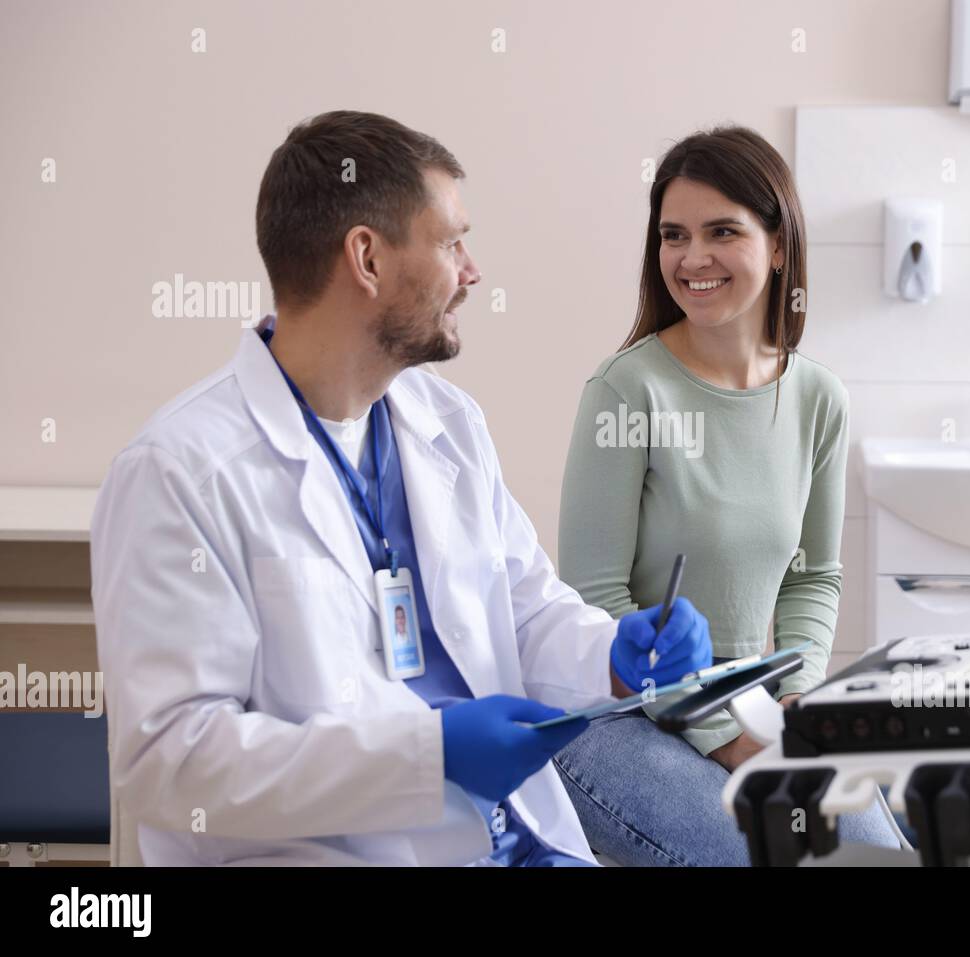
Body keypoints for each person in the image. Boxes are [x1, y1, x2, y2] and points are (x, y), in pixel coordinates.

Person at [89, 110, 712, 867]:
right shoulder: (180, 470)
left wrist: (614, 654)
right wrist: (427, 756)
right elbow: (171, 762)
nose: (473, 271)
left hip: (516, 842)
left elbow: (523, 612)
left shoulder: (446, 422)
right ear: (367, 258)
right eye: (452, 242)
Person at [553, 126, 902, 865]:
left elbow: (813, 575)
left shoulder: (817, 399)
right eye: (673, 235)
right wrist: (725, 735)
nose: (691, 257)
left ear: (778, 246)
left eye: (722, 232)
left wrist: (795, 706)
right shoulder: (627, 390)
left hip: (757, 711)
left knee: (875, 858)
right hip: (619, 720)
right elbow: (595, 597)